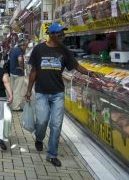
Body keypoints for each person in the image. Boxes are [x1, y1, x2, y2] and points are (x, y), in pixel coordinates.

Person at [25, 23, 103, 167]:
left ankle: (52, 154)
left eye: (63, 33)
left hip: (57, 94)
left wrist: (90, 73)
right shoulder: (39, 49)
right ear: (52, 34)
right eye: (60, 33)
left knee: (56, 124)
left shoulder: (64, 51)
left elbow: (76, 66)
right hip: (41, 92)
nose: (63, 35)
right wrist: (29, 90)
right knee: (42, 122)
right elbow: (34, 71)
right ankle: (39, 138)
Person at [9, 39, 28, 111]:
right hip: (18, 73)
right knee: (18, 90)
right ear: (22, 45)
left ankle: (13, 103)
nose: (26, 48)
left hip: (12, 72)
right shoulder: (19, 51)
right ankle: (16, 107)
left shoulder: (13, 49)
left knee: (14, 89)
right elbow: (20, 59)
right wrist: (22, 68)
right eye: (25, 46)